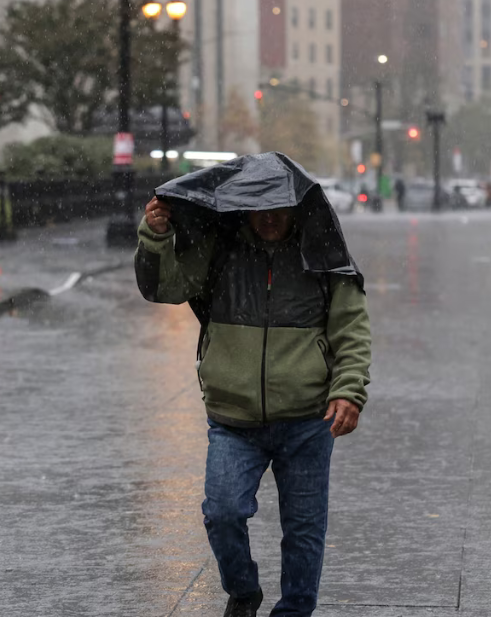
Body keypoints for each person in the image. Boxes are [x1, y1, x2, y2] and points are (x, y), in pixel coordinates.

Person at [135, 153, 372, 617]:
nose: (268, 218)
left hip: (307, 420)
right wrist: (156, 236)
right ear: (243, 207)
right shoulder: (220, 248)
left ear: (296, 207)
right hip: (233, 419)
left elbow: (352, 329)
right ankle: (243, 592)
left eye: (278, 208)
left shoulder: (322, 255)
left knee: (304, 529)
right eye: (258, 208)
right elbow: (165, 288)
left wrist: (348, 390)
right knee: (222, 513)